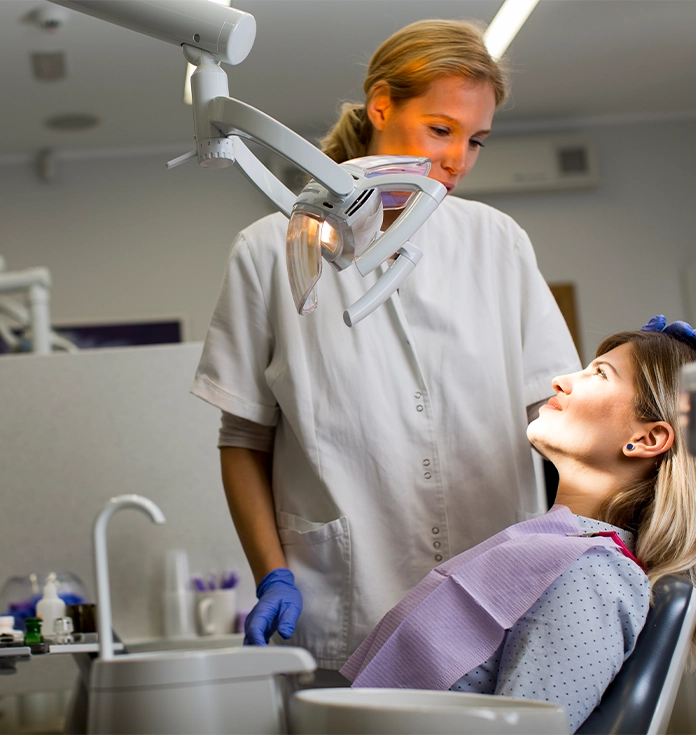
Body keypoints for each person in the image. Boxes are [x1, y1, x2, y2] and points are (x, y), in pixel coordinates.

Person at [190, 18, 581, 679]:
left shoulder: (497, 241)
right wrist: (273, 574)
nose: (458, 157)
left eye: (476, 139)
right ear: (380, 105)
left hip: (496, 600)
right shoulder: (268, 250)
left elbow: (560, 416)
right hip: (352, 602)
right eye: (440, 129)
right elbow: (242, 437)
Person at [342, 316, 696, 732]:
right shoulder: (556, 547)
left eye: (599, 373)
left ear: (647, 438)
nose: (561, 381)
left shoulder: (591, 576)